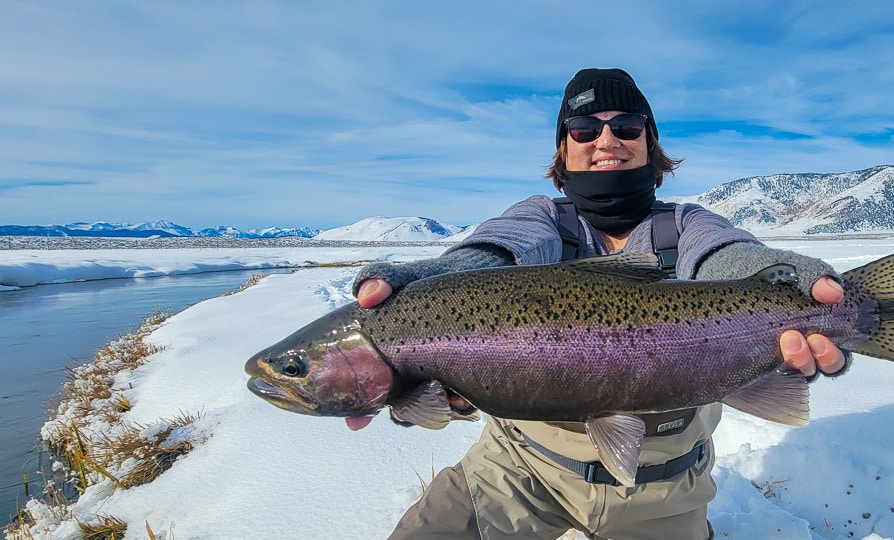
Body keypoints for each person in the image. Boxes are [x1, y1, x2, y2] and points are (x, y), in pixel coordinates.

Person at [352, 68, 848, 540]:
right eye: (585, 129)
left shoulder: (687, 226)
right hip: (522, 467)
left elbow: (723, 254)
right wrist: (442, 282)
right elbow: (499, 249)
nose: (607, 141)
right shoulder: (542, 219)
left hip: (664, 489)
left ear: (650, 145)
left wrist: (786, 291)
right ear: (563, 149)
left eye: (627, 127)